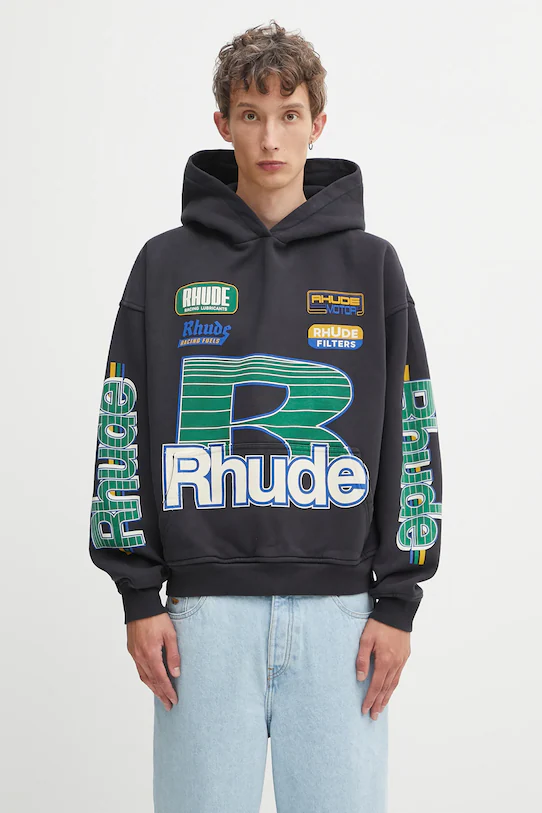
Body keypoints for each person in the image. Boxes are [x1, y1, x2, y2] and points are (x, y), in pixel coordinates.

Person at [88, 19, 443, 813]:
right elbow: (123, 420)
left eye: (289, 114)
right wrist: (139, 595)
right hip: (202, 617)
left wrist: (398, 600)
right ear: (223, 124)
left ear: (319, 123)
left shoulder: (372, 266)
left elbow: (410, 431)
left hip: (342, 620)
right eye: (251, 115)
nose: (271, 137)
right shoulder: (164, 263)